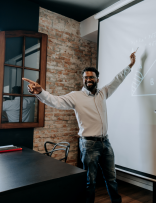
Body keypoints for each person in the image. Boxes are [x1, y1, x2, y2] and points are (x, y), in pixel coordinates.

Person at [22, 52, 136, 203]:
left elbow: (117, 80)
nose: (88, 79)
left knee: (112, 179)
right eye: (86, 77)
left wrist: (130, 65)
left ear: (97, 79)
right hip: (89, 144)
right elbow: (55, 101)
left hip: (105, 143)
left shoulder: (103, 93)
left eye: (91, 77)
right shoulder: (76, 96)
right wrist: (40, 93)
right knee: (90, 182)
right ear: (83, 80)